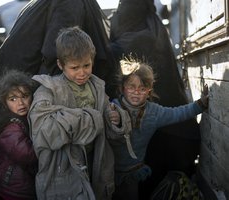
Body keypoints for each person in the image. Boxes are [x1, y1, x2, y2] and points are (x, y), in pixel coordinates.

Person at [28, 26, 130, 200]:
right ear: (61, 65)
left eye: (87, 65)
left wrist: (117, 118)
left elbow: (111, 126)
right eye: (74, 68)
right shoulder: (48, 90)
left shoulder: (97, 87)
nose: (82, 73)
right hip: (63, 175)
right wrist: (91, 119)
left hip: (95, 166)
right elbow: (43, 132)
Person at [109, 57, 209, 200]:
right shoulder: (113, 107)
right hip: (107, 170)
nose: (136, 92)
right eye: (131, 87)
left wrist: (200, 105)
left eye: (142, 88)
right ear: (122, 87)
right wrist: (112, 119)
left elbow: (177, 113)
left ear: (149, 91)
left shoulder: (154, 113)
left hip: (133, 173)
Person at [0, 70, 38, 200]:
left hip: (21, 184)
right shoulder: (10, 128)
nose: (21, 103)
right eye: (13, 99)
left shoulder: (23, 118)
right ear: (4, 102)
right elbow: (27, 154)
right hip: (15, 188)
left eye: (25, 96)